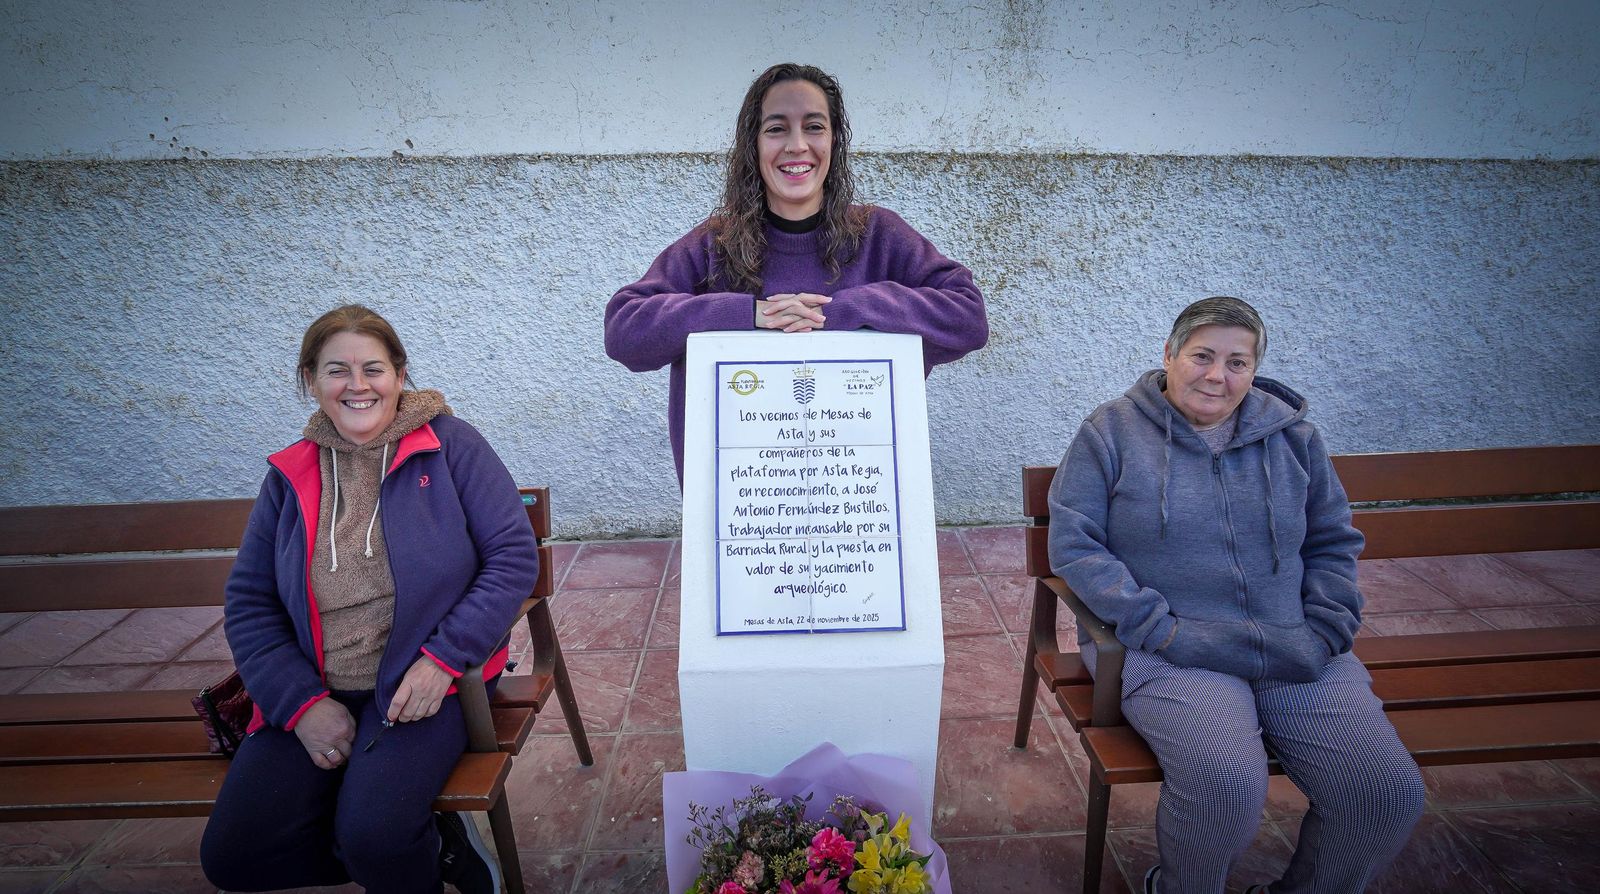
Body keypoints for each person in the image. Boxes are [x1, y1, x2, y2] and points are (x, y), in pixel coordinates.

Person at [1047, 297, 1423, 894]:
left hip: (1293, 644)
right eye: (1202, 356)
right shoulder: (1110, 431)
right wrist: (1157, 626)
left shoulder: (1293, 437)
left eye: (1237, 362)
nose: (1217, 376)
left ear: (1253, 370)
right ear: (1169, 355)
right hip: (1169, 649)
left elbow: (1332, 539)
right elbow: (1076, 546)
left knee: (1383, 791)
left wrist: (1326, 624)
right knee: (1225, 782)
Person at [201, 304, 537, 894]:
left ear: (400, 374)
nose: (357, 386)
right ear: (310, 380)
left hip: (422, 686)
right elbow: (251, 602)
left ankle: (402, 851)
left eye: (373, 369)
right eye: (337, 370)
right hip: (316, 684)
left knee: (376, 836)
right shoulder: (290, 472)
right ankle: (434, 848)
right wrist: (301, 705)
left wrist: (442, 661)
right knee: (234, 856)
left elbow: (512, 558)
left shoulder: (451, 447)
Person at [605, 62, 988, 481]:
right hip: (745, 508)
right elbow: (625, 330)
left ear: (834, 140)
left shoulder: (879, 235)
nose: (796, 145)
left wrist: (847, 310)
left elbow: (967, 316)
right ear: (752, 144)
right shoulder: (716, 244)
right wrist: (747, 314)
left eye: (814, 126)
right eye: (776, 128)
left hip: (859, 504)